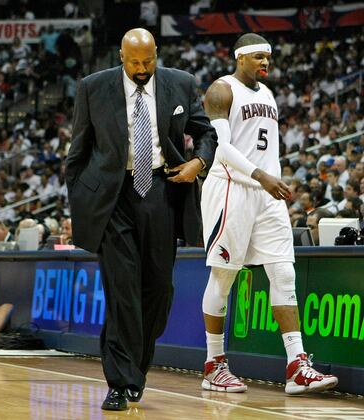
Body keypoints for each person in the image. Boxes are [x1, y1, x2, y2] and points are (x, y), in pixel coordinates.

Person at [66, 28, 217, 410]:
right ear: (121, 57)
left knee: (158, 291)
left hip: (162, 193)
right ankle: (119, 381)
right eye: (134, 62)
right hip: (114, 198)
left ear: (156, 55)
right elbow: (78, 152)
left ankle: (137, 367)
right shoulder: (92, 88)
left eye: (147, 61)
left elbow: (205, 133)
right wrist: (85, 199)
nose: (141, 68)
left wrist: (197, 163)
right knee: (122, 292)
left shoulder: (179, 83)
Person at [200, 33, 338, 395]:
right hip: (232, 189)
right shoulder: (221, 90)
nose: (265, 64)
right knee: (224, 277)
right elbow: (224, 148)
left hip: (267, 194)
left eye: (268, 58)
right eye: (259, 57)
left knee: (284, 273)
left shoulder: (268, 94)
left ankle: (297, 365)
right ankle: (214, 364)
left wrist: (268, 179)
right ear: (240, 57)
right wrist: (261, 176)